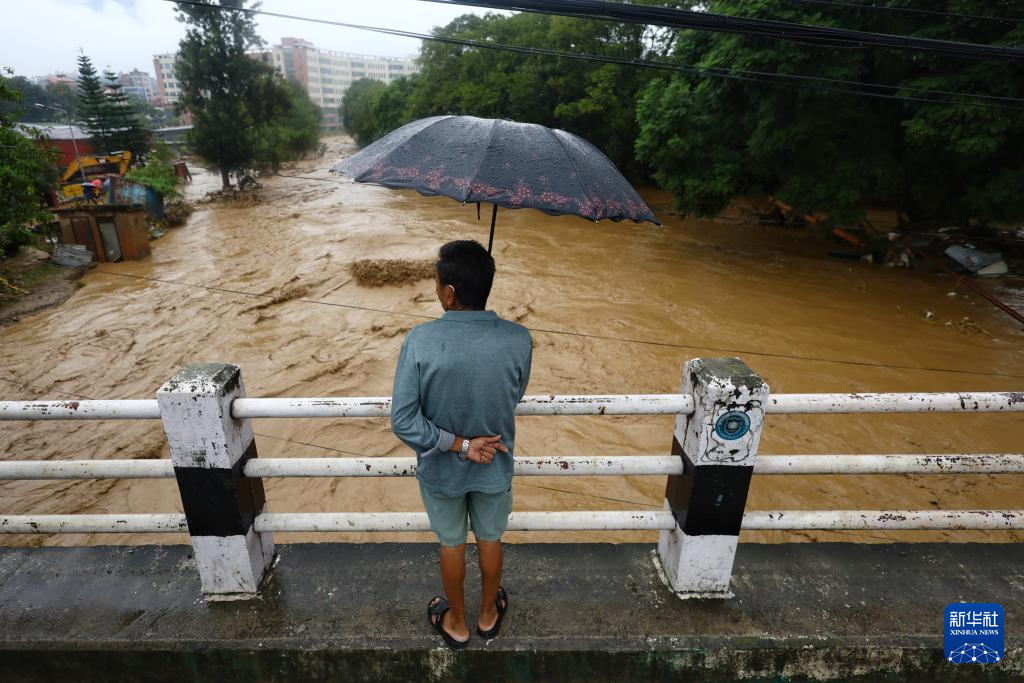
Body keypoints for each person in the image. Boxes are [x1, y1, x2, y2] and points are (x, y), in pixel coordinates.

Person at [390, 240, 532, 649]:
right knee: (490, 538)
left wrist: (458, 444)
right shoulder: (519, 338)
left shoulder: (420, 340)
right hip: (494, 462)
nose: (436, 290)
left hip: (442, 469)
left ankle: (456, 623)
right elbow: (515, 394)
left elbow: (403, 420)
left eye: (437, 283)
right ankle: (488, 614)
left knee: (451, 544)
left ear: (450, 293)